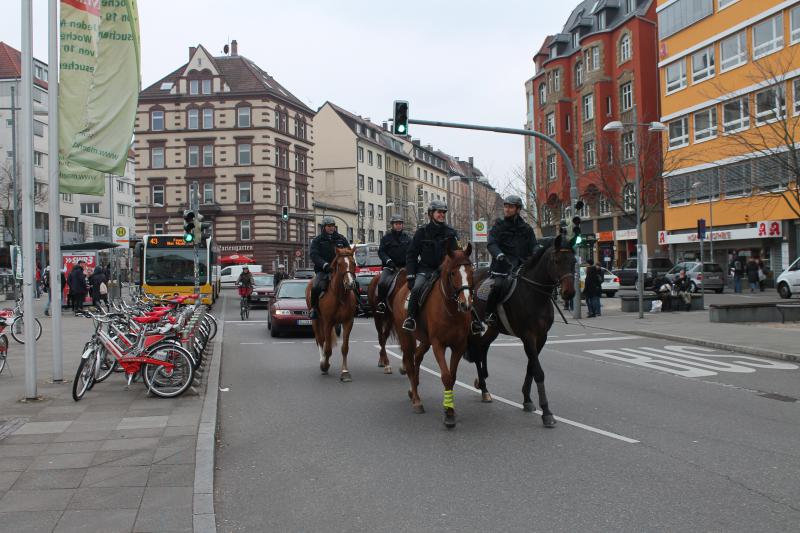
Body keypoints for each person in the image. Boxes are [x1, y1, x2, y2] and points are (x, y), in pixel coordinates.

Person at [403, 200, 460, 332]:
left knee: (464, 289)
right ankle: (410, 318)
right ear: (431, 214)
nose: (442, 215)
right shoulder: (421, 232)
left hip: (446, 271)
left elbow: (457, 254)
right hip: (425, 270)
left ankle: (473, 320)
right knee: (416, 288)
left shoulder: (451, 232)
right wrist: (411, 275)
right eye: (439, 212)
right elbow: (411, 255)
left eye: (443, 212)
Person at [483, 195, 537, 330]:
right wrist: (499, 255)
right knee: (498, 286)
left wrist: (537, 251)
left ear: (518, 209)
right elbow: (491, 244)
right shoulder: (498, 225)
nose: (506, 209)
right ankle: (489, 313)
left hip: (523, 266)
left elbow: (533, 245)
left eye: (510, 207)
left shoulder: (526, 228)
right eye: (506, 206)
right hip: (503, 266)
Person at [309, 217, 351, 320]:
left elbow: (349, 252)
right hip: (324, 271)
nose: (331, 228)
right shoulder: (317, 240)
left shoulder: (341, 239)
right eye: (329, 226)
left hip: (340, 271)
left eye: (332, 226)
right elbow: (314, 255)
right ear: (324, 227)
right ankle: (314, 309)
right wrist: (325, 265)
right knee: (315, 287)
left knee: (353, 283)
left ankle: (356, 306)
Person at [375, 215, 411, 314]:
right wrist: (388, 261)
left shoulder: (408, 238)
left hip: (405, 268)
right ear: (392, 225)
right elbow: (381, 252)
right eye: (396, 224)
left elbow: (412, 252)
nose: (398, 226)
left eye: (400, 224)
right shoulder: (386, 238)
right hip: (390, 268)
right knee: (382, 283)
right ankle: (382, 303)